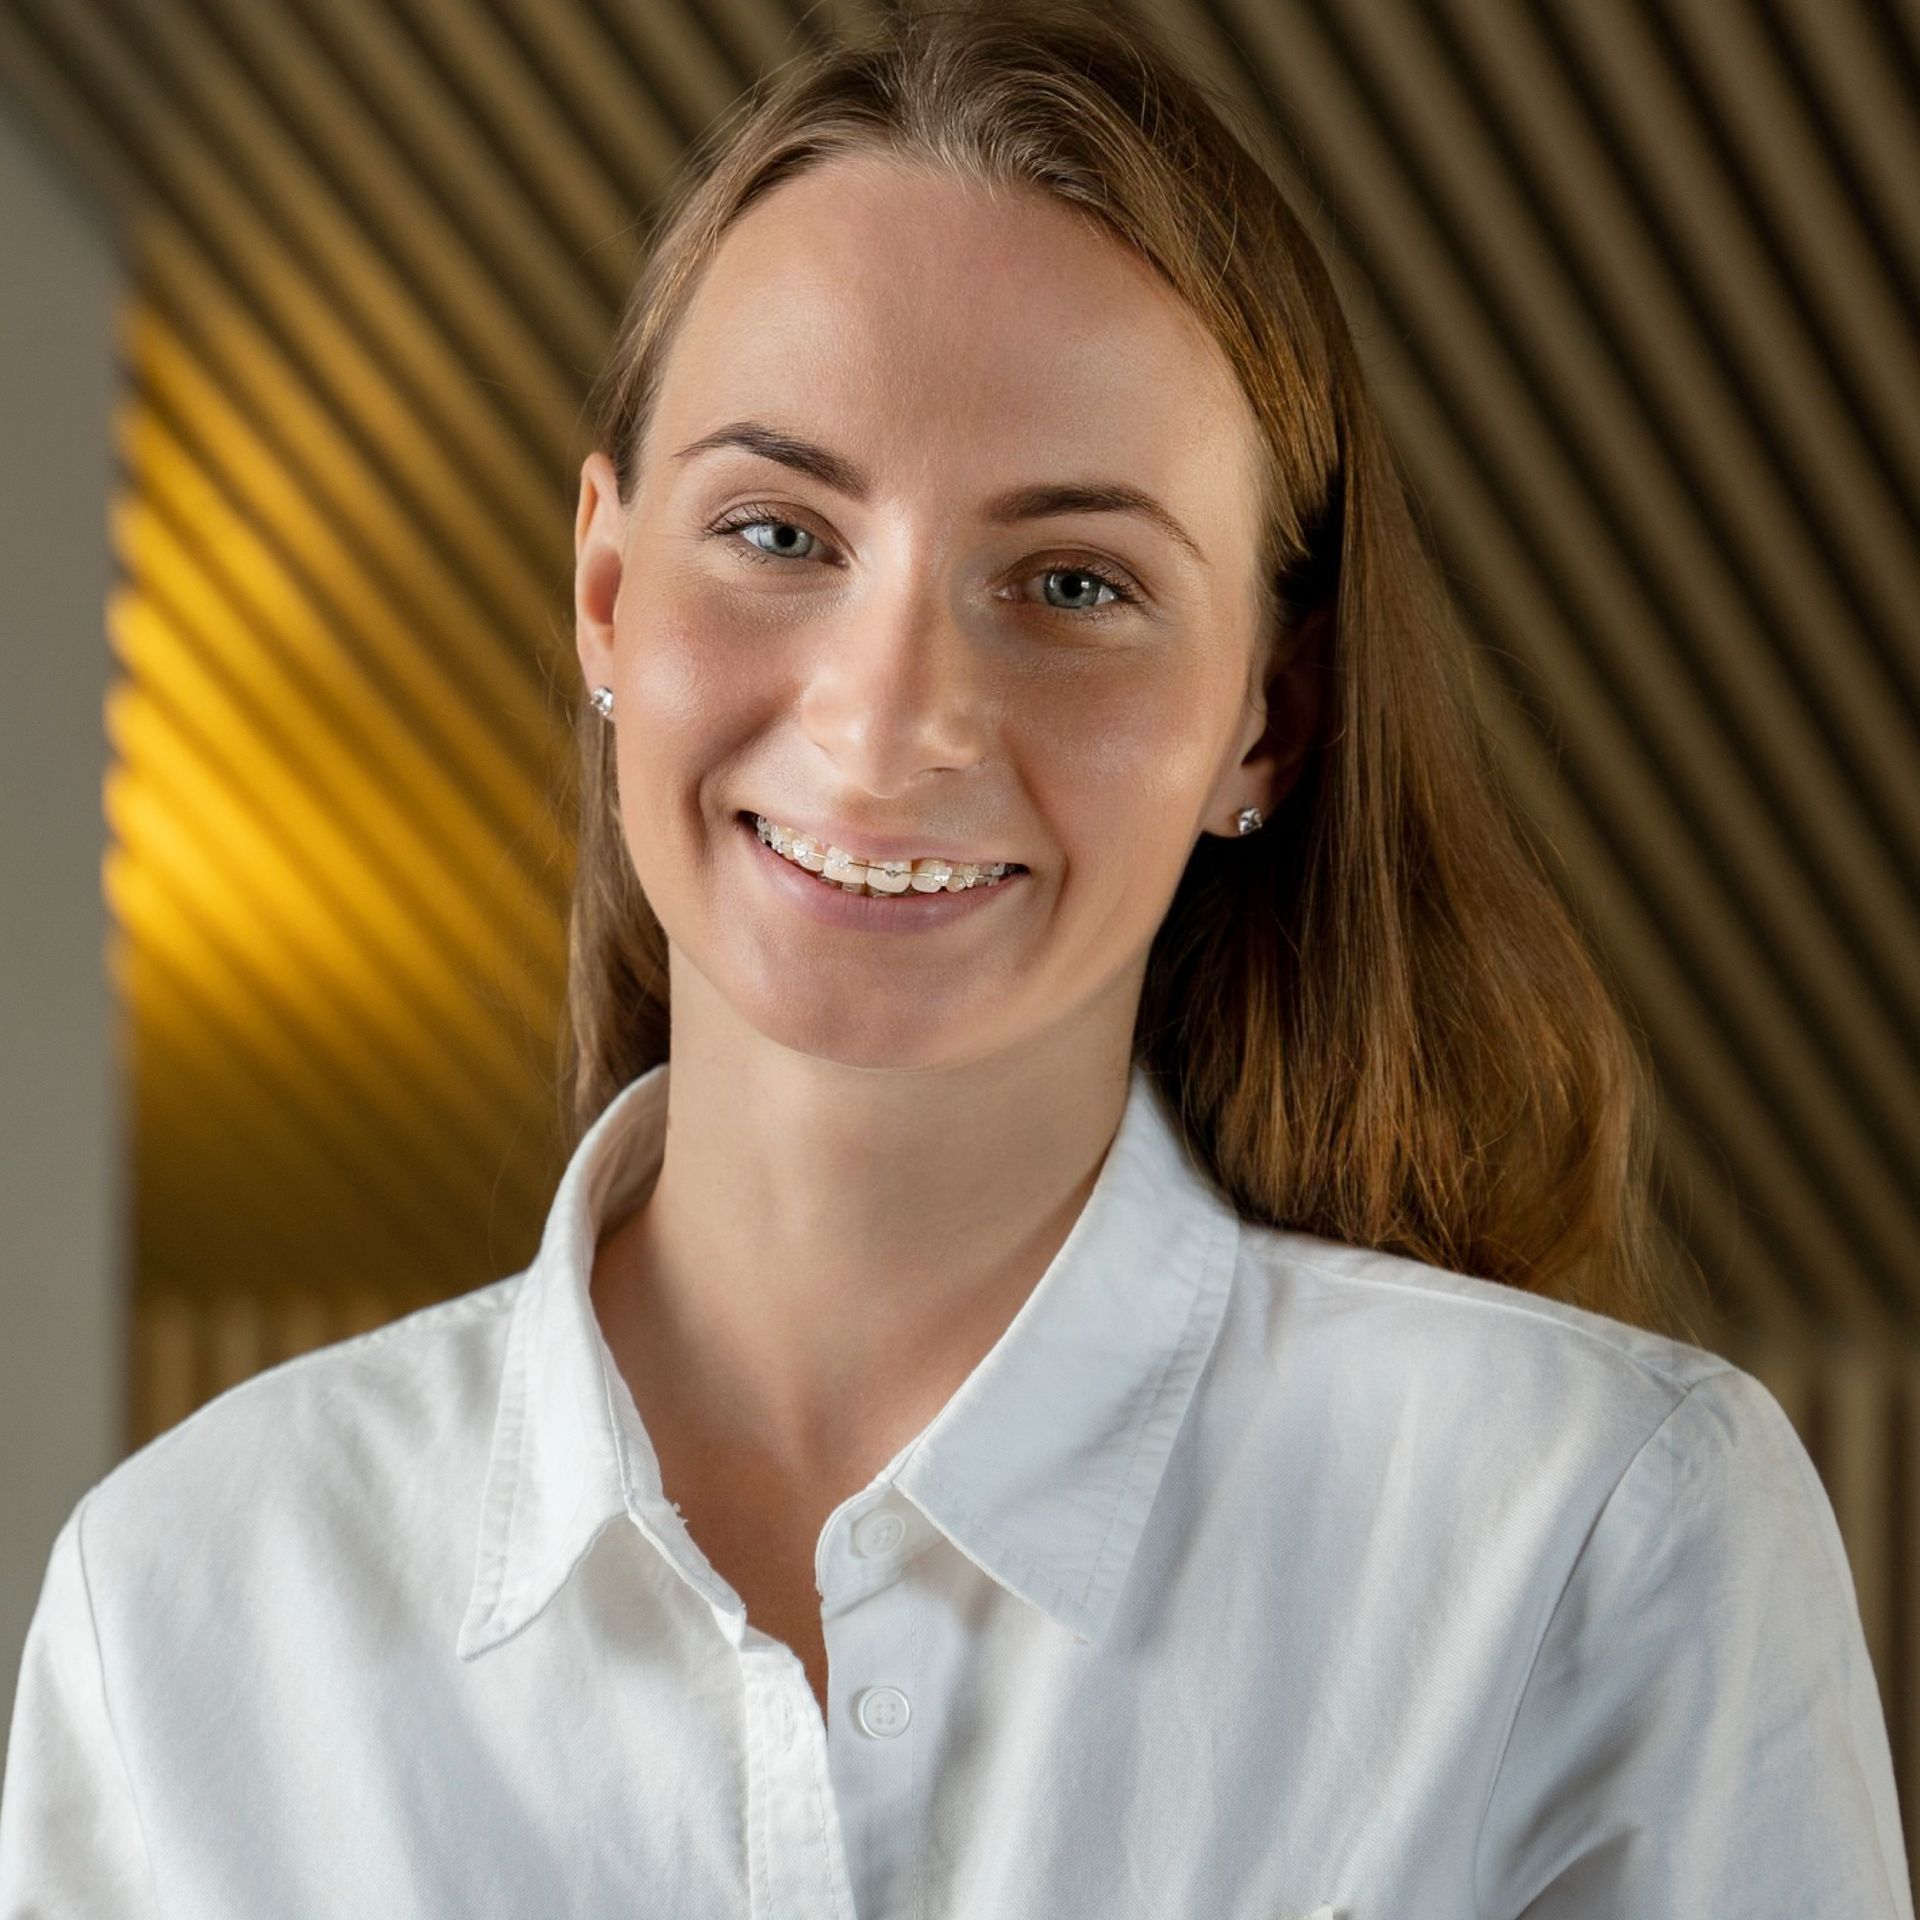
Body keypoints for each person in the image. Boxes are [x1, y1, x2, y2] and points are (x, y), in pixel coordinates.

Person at [2, 2, 1910, 1914]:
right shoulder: (175, 1611)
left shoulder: (1598, 1541)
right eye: (775, 529)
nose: (890, 717)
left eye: (1073, 584)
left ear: (1268, 712)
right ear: (605, 588)